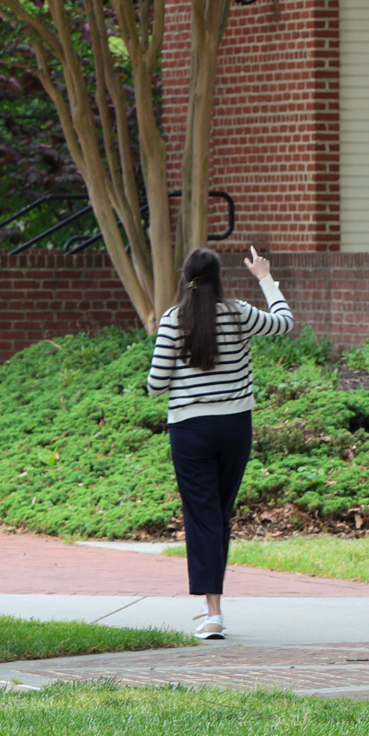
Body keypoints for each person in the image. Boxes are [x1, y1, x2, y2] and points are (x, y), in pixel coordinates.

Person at [146, 245, 293, 640]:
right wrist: (264, 277)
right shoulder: (239, 313)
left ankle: (214, 613)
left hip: (190, 430)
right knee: (219, 515)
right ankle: (212, 605)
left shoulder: (174, 319)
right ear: (219, 277)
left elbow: (156, 385)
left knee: (202, 517)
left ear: (184, 276)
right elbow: (284, 322)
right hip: (235, 427)